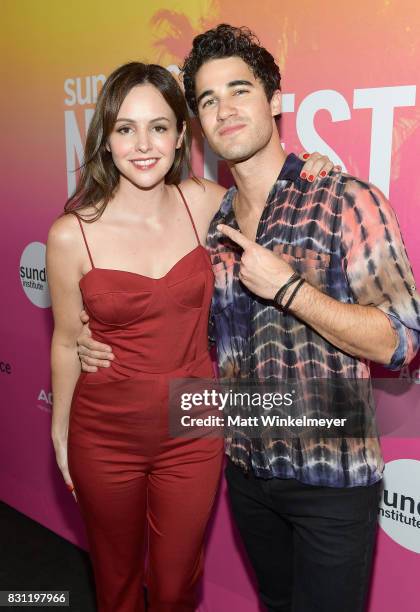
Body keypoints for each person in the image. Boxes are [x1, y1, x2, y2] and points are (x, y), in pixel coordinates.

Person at [79, 25, 420, 612]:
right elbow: (175, 316)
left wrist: (291, 290)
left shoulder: (344, 198)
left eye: (239, 90)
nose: (225, 109)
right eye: (208, 99)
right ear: (198, 124)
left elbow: (402, 340)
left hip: (330, 478)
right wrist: (97, 334)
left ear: (274, 101)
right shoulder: (211, 220)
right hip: (244, 471)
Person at [48, 60, 332, 612]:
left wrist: (315, 165)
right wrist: (60, 431)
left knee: (177, 585)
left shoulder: (203, 202)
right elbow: (65, 340)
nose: (143, 144)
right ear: (106, 140)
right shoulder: (70, 235)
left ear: (182, 136)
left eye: (159, 126)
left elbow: (271, 186)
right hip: (104, 433)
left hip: (194, 426)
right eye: (125, 128)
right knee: (117, 583)